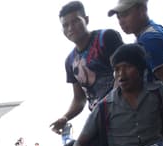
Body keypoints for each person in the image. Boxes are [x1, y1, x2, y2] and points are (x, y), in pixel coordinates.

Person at [53, 2, 127, 136]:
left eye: (75, 21)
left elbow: (125, 72)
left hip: (126, 113)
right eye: (65, 25)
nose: (70, 28)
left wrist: (109, 105)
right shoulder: (70, 61)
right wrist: (65, 117)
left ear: (86, 20)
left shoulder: (106, 38)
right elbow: (79, 98)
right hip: (100, 121)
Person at [109, 0, 163, 86]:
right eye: (118, 17)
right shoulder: (149, 32)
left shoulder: (150, 38)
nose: (121, 22)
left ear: (142, 10)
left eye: (125, 15)